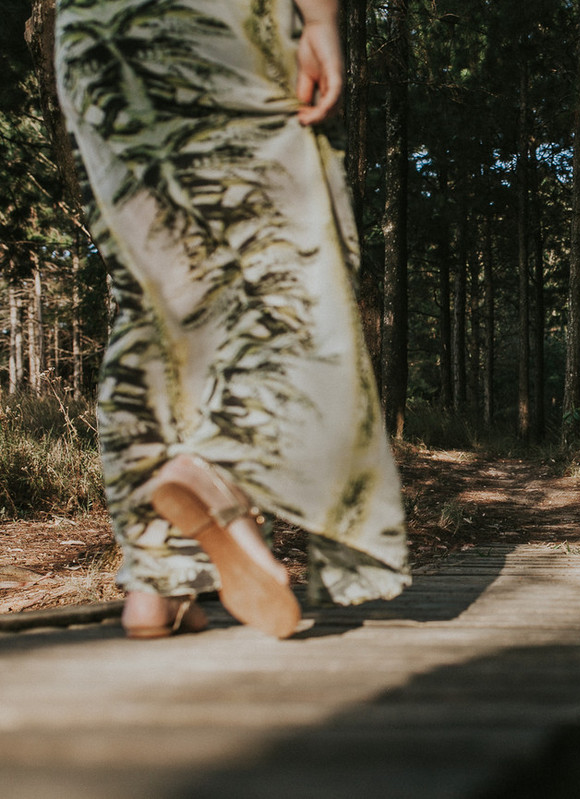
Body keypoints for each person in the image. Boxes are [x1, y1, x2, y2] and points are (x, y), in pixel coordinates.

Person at [55, 0, 409, 639]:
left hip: (96, 35)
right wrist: (321, 20)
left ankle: (155, 586)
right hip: (218, 25)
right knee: (279, 276)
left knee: (155, 304)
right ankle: (215, 478)